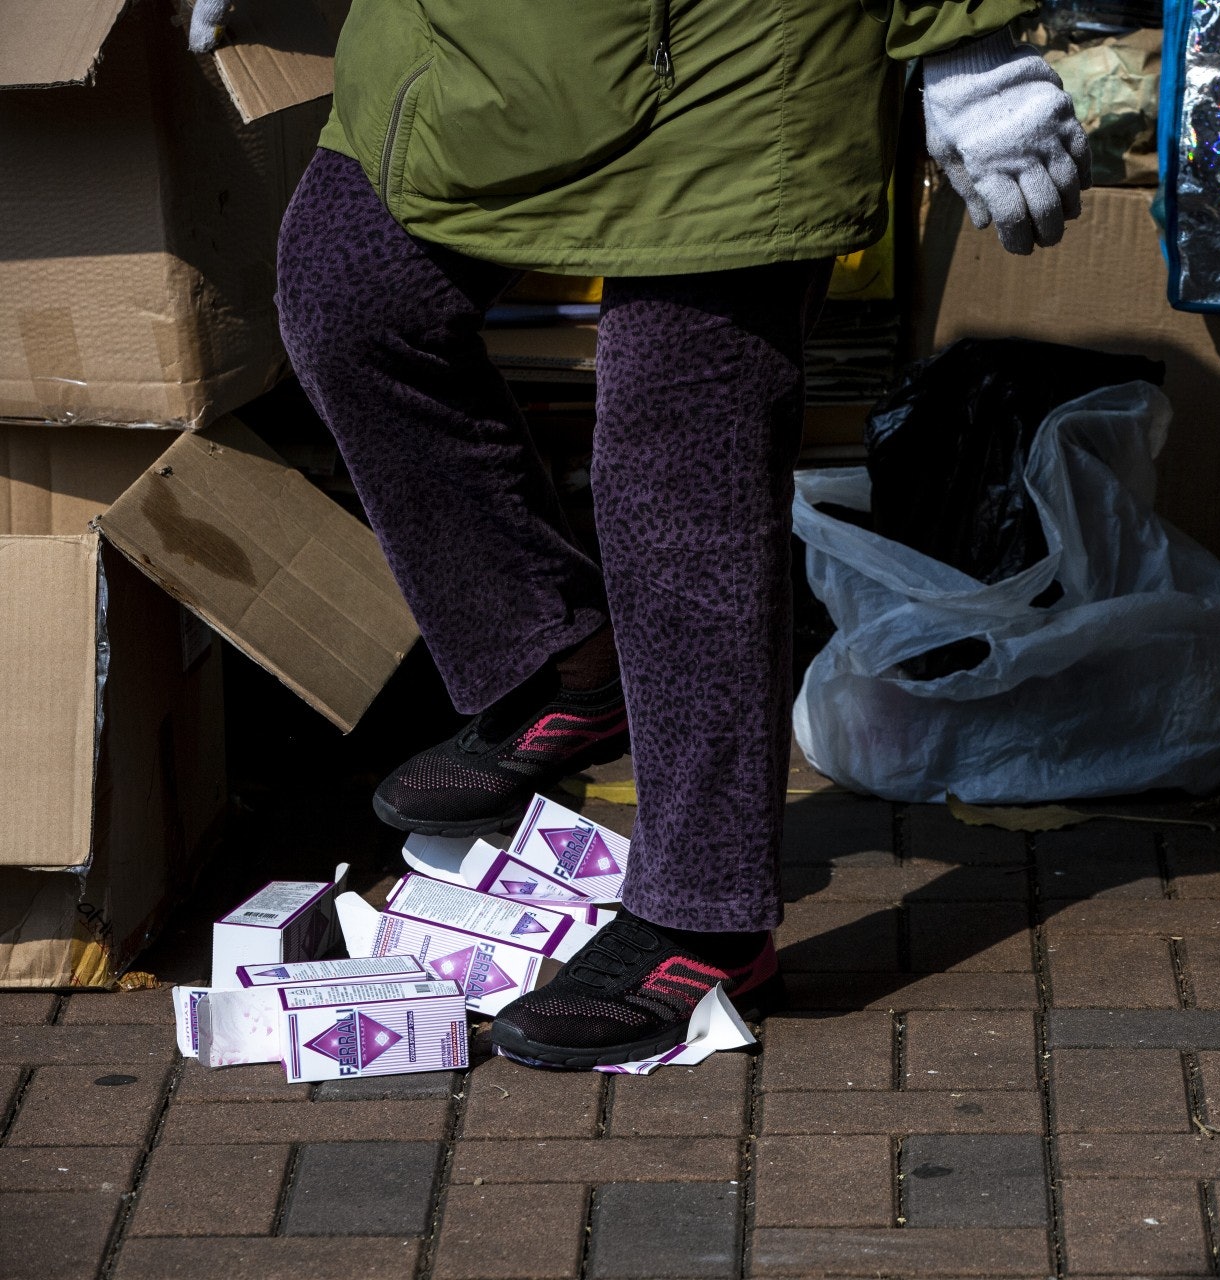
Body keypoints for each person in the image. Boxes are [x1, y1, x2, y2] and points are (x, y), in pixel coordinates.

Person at [189, 0, 1088, 1068]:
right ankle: (557, 660)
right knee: (351, 299)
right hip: (486, 35)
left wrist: (973, 53)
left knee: (676, 460)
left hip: (743, 48)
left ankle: (703, 919)